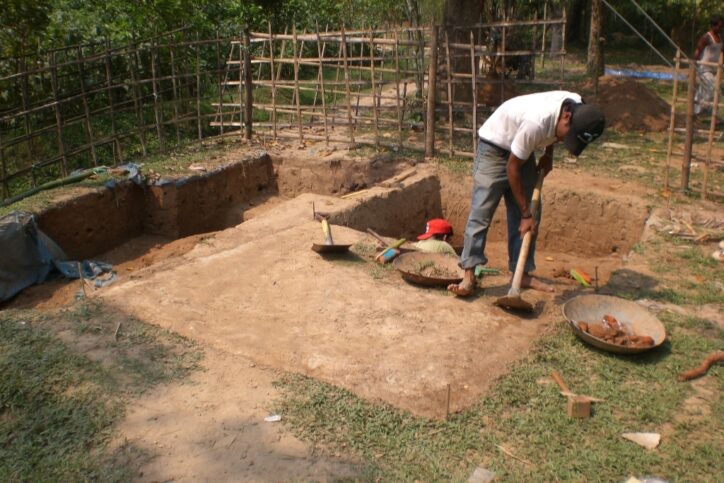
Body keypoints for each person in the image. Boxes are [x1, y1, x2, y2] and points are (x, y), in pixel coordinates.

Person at [448, 91, 605, 296]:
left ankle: (520, 273)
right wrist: (525, 214)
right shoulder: (536, 124)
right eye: (568, 135)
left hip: (523, 149)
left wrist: (548, 154)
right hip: (495, 148)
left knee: (532, 214)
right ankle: (468, 275)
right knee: (482, 213)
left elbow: (553, 133)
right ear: (566, 117)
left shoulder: (577, 106)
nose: (563, 140)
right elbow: (512, 168)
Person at [693, 15, 723, 117]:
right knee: (713, 88)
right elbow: (697, 51)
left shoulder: (720, 37)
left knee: (704, 89)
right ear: (712, 26)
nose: (720, 28)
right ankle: (705, 109)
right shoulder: (706, 37)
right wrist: (693, 66)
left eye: (721, 26)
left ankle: (696, 112)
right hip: (704, 68)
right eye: (719, 26)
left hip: (714, 69)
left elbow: (722, 51)